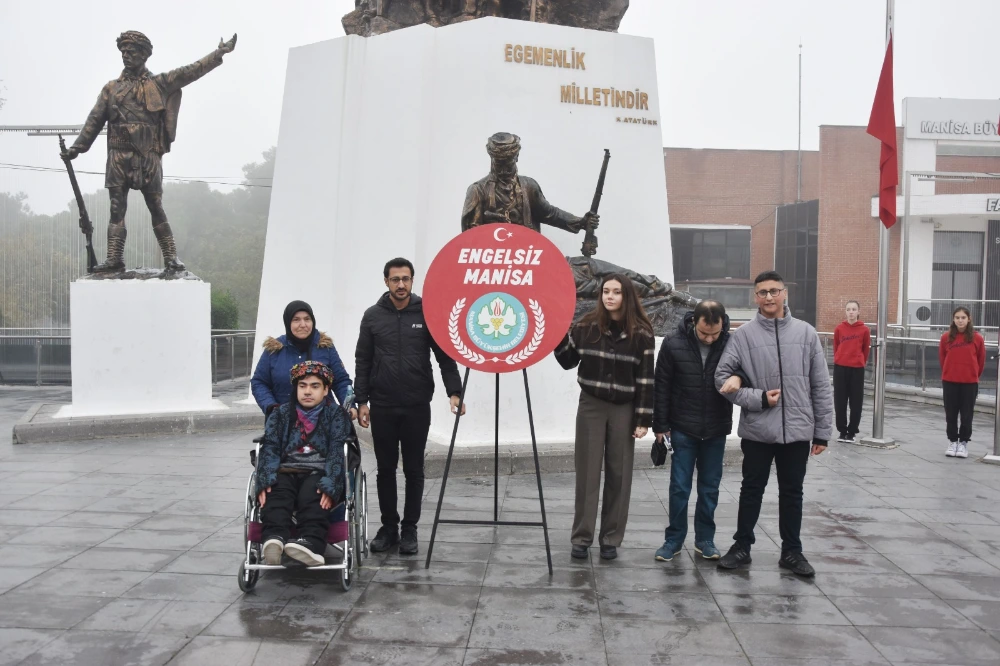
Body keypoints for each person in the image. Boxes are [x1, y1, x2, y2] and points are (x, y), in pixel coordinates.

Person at [61, 30, 237, 273]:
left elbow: (190, 72)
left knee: (155, 205)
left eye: (131, 52)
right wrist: (77, 148)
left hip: (148, 155)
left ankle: (171, 258)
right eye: (123, 52)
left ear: (144, 54)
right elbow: (94, 120)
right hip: (118, 156)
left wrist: (218, 54)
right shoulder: (111, 89)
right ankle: (114, 259)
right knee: (116, 207)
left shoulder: (159, 83)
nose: (126, 56)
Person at [714, 270, 832, 577]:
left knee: (792, 492)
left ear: (785, 293)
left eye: (774, 291)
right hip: (758, 429)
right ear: (756, 297)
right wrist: (759, 399)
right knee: (751, 489)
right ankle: (742, 547)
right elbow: (722, 379)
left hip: (798, 430)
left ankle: (792, 551)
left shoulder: (806, 334)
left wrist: (822, 431)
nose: (769, 297)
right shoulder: (743, 336)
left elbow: (821, 385)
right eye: (763, 292)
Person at [355, 258, 465, 555]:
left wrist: (454, 391)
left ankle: (410, 530)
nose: (400, 284)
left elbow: (445, 357)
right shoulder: (372, 316)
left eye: (405, 279)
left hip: (417, 404)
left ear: (413, 280)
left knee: (414, 470)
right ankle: (389, 527)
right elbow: (363, 361)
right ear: (386, 282)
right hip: (383, 405)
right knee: (386, 470)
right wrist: (361, 400)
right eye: (395, 279)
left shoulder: (427, 312)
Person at [555, 273, 655, 561]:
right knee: (587, 472)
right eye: (605, 291)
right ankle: (581, 538)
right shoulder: (586, 326)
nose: (609, 296)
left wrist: (643, 420)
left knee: (619, 473)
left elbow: (647, 379)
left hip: (625, 407)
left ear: (627, 296)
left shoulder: (642, 334)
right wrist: (557, 335)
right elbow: (567, 361)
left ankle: (610, 538)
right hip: (591, 405)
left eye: (616, 292)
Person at [652, 300, 743, 562]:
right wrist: (660, 426)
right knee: (679, 487)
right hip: (682, 427)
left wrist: (740, 376)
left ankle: (705, 540)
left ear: (723, 324)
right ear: (694, 322)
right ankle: (673, 539)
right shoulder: (672, 343)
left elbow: (746, 370)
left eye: (715, 334)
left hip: (715, 427)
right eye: (705, 333)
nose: (710, 338)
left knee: (710, 487)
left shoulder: (731, 342)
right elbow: (662, 386)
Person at [256, 361, 351, 567]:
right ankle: (273, 540)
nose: (308, 391)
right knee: (276, 492)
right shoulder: (280, 414)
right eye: (303, 386)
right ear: (296, 388)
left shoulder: (336, 415)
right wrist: (264, 480)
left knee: (314, 495)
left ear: (326, 390)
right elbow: (270, 447)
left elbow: (337, 452)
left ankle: (311, 545)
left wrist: (331, 484)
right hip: (286, 469)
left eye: (315, 386)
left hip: (319, 472)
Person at [252, 300, 355, 418]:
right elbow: (259, 382)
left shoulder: (325, 347)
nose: (303, 324)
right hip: (284, 421)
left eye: (307, 319)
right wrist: (272, 407)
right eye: (296, 320)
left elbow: (341, 381)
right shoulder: (274, 349)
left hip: (324, 421)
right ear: (287, 322)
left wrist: (349, 405)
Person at [939, 306, 985, 459]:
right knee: (950, 414)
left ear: (969, 319)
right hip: (950, 381)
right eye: (957, 317)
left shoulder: (977, 338)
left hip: (969, 383)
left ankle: (963, 442)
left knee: (967, 414)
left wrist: (972, 376)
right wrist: (948, 372)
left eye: (963, 317)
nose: (960, 320)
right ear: (953, 319)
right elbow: (942, 358)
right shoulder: (946, 337)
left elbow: (981, 360)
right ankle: (952, 441)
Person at [833, 300, 871, 444]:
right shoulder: (839, 329)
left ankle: (852, 431)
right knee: (840, 400)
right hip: (840, 368)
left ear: (858, 312)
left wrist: (860, 361)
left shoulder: (864, 330)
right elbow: (836, 345)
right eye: (848, 309)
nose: (851, 312)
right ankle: (842, 431)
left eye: (854, 309)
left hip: (857, 369)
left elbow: (865, 349)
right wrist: (839, 358)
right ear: (845, 311)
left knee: (856, 401)